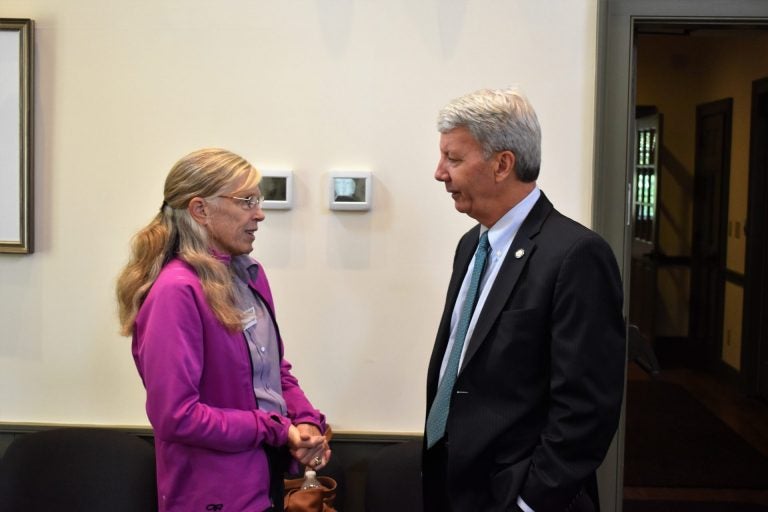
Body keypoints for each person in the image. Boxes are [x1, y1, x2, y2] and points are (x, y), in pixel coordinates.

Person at [423, 89, 626, 512]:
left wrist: (530, 501)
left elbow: (587, 407)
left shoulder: (575, 255)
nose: (440, 173)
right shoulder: (470, 246)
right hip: (454, 483)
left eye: (454, 159)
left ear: (502, 164)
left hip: (519, 495)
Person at [116, 148, 331, 512]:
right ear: (200, 210)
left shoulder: (250, 275)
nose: (259, 213)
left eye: (258, 200)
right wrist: (274, 428)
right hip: (213, 497)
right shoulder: (176, 291)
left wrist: (306, 421)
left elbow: (273, 373)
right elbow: (176, 417)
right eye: (246, 200)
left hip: (266, 483)